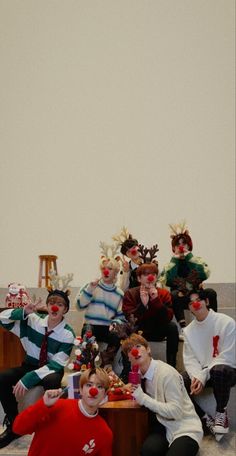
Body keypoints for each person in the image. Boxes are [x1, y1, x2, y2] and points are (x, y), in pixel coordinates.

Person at [0, 288, 75, 448]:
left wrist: (29, 379)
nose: (55, 307)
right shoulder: (32, 320)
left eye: (60, 304)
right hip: (30, 364)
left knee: (52, 380)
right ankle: (14, 425)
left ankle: (50, 427)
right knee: (2, 378)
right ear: (47, 306)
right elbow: (2, 319)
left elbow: (56, 364)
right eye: (52, 303)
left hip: (52, 369)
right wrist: (23, 312)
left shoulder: (68, 334)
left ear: (65, 309)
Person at [122, 333, 203, 456]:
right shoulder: (137, 374)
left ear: (148, 349)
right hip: (162, 426)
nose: (134, 351)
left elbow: (176, 412)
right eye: (130, 350)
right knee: (147, 452)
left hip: (184, 428)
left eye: (138, 346)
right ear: (128, 358)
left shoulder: (167, 374)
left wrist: (144, 398)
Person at [13, 367, 113, 456]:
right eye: (89, 385)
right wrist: (43, 405)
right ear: (81, 390)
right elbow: (18, 428)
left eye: (99, 387)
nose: (93, 390)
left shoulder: (104, 433)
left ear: (105, 395)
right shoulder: (56, 407)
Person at [182, 289, 236, 436]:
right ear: (189, 307)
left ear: (207, 301)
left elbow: (229, 356)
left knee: (219, 370)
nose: (195, 303)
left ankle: (221, 414)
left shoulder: (226, 322)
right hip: (203, 374)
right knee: (180, 381)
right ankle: (205, 418)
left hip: (227, 371)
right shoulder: (188, 331)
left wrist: (203, 375)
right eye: (191, 302)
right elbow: (190, 359)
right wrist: (196, 376)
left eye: (198, 299)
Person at [160, 222, 217, 338]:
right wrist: (175, 261)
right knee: (174, 294)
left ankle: (213, 323)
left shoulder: (197, 260)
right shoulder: (170, 264)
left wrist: (190, 257)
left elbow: (204, 274)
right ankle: (183, 328)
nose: (181, 247)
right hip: (181, 297)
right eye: (177, 245)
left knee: (211, 292)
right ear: (173, 248)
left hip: (196, 293)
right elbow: (167, 280)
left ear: (189, 246)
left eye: (184, 244)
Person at [76, 242, 126, 366]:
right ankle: (86, 366)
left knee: (117, 337)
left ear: (116, 272)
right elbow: (79, 306)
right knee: (87, 334)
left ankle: (106, 363)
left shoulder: (119, 293)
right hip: (90, 324)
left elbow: (120, 316)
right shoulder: (92, 285)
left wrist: (115, 324)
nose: (106, 271)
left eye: (110, 269)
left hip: (106, 327)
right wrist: (90, 289)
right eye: (103, 268)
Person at [123, 262, 179, 368]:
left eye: (153, 274)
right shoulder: (130, 293)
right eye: (146, 274)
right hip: (139, 331)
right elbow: (129, 317)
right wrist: (143, 306)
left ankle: (172, 366)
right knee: (125, 329)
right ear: (139, 278)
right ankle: (127, 369)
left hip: (157, 329)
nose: (150, 277)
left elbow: (168, 317)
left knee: (172, 327)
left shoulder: (163, 293)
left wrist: (156, 300)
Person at [112, 227, 142, 291]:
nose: (132, 251)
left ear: (138, 246)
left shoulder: (149, 261)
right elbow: (123, 289)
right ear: (126, 255)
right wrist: (126, 272)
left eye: (134, 247)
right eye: (128, 251)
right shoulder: (126, 269)